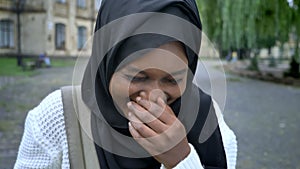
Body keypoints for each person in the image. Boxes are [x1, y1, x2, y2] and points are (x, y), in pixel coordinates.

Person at [14, 0, 237, 168]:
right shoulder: (59, 117)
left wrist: (181, 159)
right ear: (106, 64)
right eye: (138, 77)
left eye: (172, 79)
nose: (155, 97)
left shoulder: (209, 122)